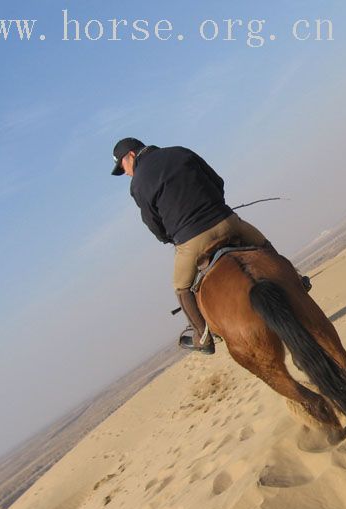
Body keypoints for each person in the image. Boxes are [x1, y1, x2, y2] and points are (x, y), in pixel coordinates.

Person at [111, 137, 277, 355]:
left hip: (191, 239)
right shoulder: (179, 151)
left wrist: (170, 238)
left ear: (130, 156)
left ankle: (203, 336)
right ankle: (297, 281)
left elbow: (152, 222)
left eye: (123, 168)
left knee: (180, 287)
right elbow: (217, 181)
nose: (126, 173)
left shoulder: (138, 183)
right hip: (227, 221)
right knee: (263, 244)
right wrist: (216, 208)